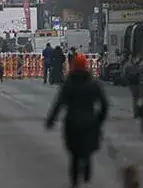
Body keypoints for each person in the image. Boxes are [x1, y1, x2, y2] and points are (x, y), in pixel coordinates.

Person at [46, 53, 109, 187]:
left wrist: (51, 120)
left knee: (74, 154)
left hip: (72, 122)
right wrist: (99, 119)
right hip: (90, 121)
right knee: (87, 149)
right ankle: (86, 167)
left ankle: (74, 181)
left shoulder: (68, 84)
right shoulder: (93, 84)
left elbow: (59, 103)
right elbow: (104, 104)